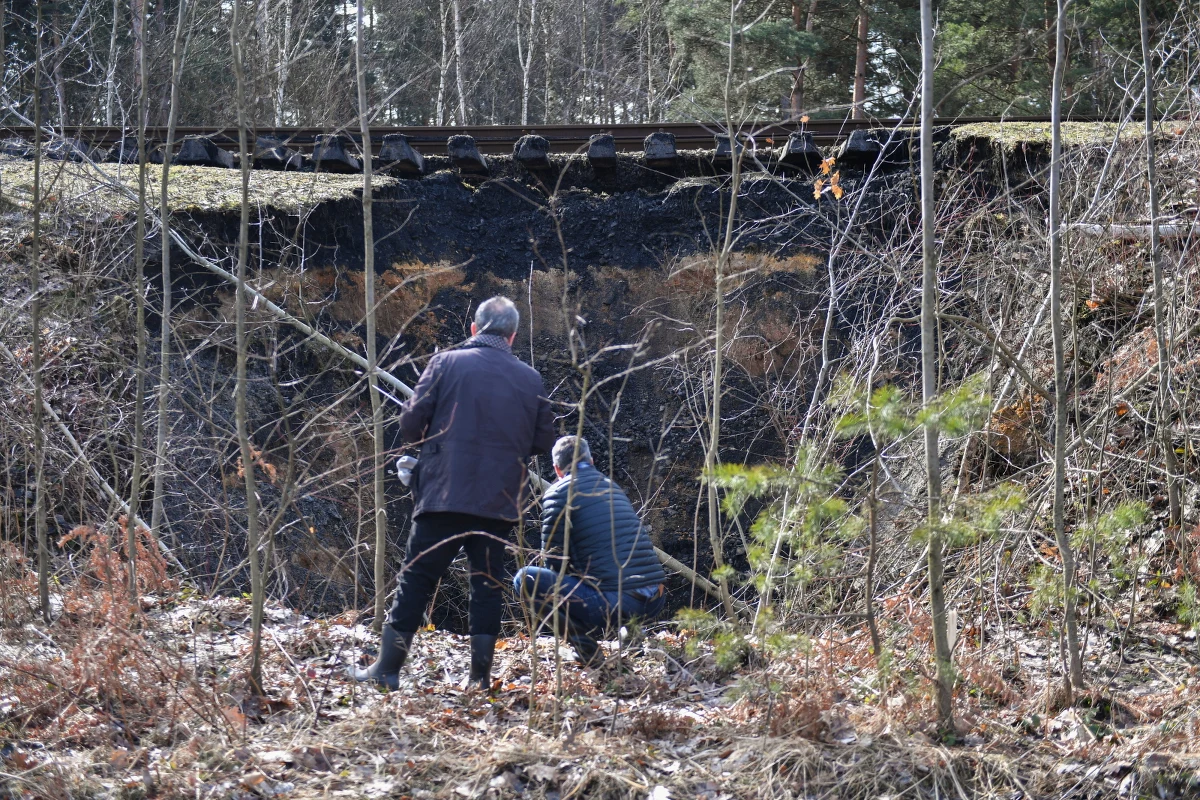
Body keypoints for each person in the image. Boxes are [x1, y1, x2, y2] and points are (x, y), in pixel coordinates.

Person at [350, 296, 556, 690]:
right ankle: (479, 680)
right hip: (498, 503)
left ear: (475, 329)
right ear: (512, 336)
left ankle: (387, 670)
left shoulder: (445, 362)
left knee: (417, 579)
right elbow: (544, 440)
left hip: (443, 495)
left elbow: (410, 424)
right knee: (487, 587)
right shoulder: (530, 379)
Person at [513, 435, 666, 666]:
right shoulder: (612, 487)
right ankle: (632, 635)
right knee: (615, 566)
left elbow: (553, 561)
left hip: (617, 603)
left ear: (556, 469)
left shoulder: (559, 493)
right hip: (656, 598)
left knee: (525, 578)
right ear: (592, 461)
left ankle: (586, 651)